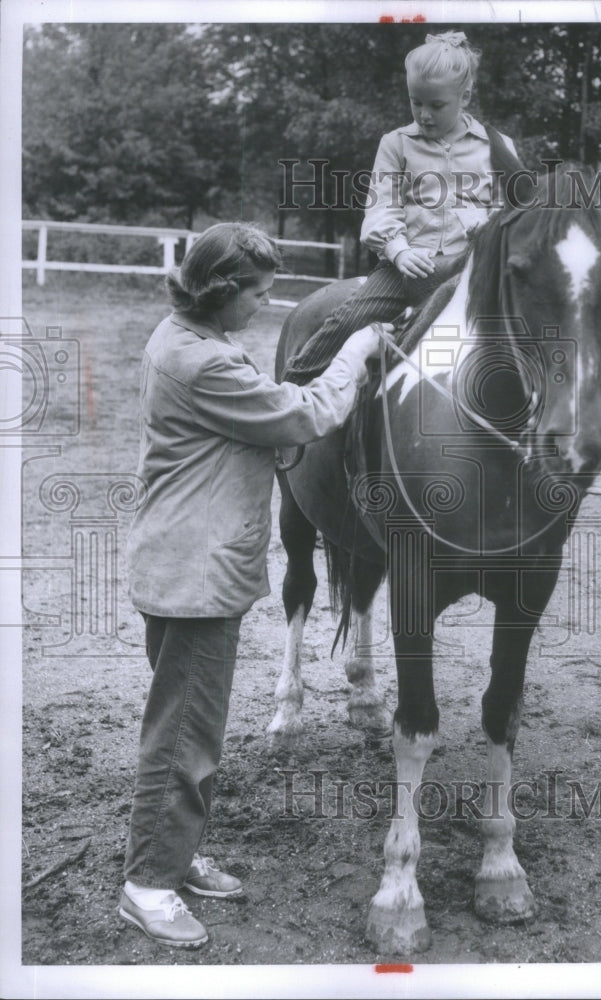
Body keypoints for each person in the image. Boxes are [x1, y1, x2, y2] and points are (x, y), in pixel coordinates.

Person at [119, 222, 380, 949]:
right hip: (196, 573)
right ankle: (147, 885)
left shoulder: (186, 339)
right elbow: (306, 414)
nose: (268, 305)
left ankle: (171, 854)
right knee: (183, 736)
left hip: (178, 560)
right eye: (260, 293)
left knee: (185, 727)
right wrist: (357, 350)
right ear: (222, 291)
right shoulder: (205, 365)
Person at [282, 29, 519, 385]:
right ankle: (289, 390)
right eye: (415, 102)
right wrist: (399, 250)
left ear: (465, 96)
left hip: (470, 272)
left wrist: (487, 226)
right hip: (404, 272)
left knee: (521, 329)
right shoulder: (396, 144)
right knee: (343, 321)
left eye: (436, 105)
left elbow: (513, 212)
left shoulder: (497, 146)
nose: (423, 114)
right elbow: (381, 205)